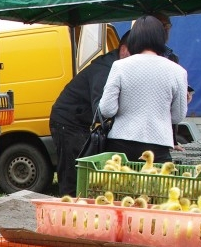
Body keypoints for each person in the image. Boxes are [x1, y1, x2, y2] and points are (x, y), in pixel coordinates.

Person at [98, 15, 187, 164]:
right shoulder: (178, 71)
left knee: (120, 187)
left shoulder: (120, 66)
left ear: (134, 39)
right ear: (162, 38)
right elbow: (177, 116)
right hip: (158, 145)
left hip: (120, 145)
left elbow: (107, 110)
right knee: (155, 187)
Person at [49, 32, 130, 196]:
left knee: (84, 172)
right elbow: (100, 108)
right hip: (69, 122)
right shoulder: (105, 70)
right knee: (74, 172)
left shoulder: (116, 66)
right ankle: (69, 207)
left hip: (81, 121)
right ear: (124, 50)